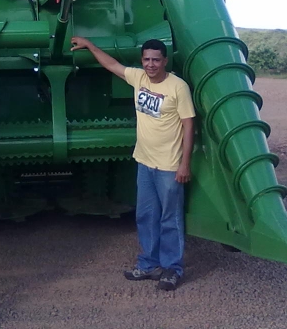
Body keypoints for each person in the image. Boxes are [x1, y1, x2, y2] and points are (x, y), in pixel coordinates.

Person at [70, 36, 195, 291]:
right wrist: (91, 46)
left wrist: (184, 164)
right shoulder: (138, 78)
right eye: (147, 59)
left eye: (156, 60)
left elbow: (189, 125)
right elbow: (112, 65)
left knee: (170, 218)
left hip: (169, 166)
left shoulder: (177, 87)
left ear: (165, 61)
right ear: (142, 61)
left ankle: (172, 269)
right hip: (144, 162)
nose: (151, 65)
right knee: (146, 216)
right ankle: (149, 265)